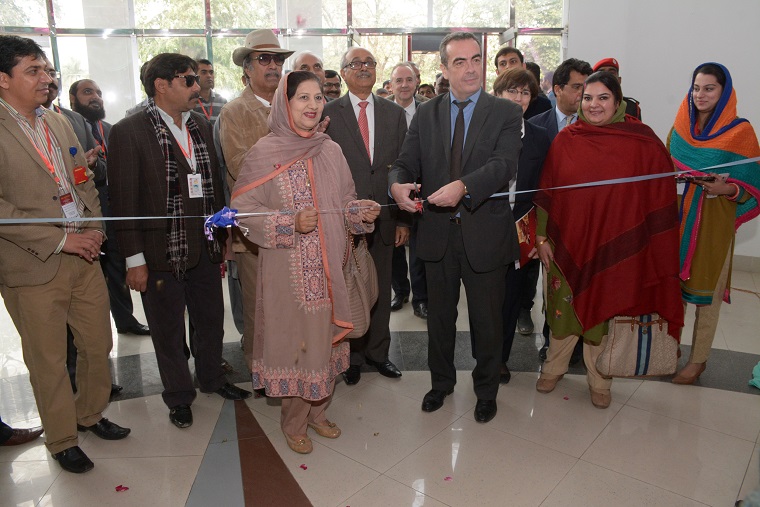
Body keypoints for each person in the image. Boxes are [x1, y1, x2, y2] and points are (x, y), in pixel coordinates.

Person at [230, 71, 380, 454]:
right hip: (289, 274)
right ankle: (294, 421)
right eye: (303, 98)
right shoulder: (264, 152)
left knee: (326, 343)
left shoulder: (330, 149)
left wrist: (358, 212)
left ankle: (318, 412)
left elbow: (345, 200)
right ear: (285, 103)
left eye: (318, 97)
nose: (313, 105)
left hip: (332, 269)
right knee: (298, 346)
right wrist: (289, 222)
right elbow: (243, 211)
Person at [0, 35, 130, 474]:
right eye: (33, 71)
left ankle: (89, 414)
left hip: (84, 255)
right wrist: (59, 240)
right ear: (3, 79)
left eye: (47, 70)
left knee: (98, 343)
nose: (46, 79)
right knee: (49, 359)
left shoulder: (57, 122)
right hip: (32, 265)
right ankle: (61, 438)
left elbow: (81, 179)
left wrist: (93, 229)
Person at [108, 53, 251, 430]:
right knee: (167, 329)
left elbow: (214, 186)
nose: (197, 86)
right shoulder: (129, 131)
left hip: (204, 246)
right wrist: (134, 260)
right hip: (159, 253)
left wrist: (223, 234)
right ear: (161, 85)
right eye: (188, 80)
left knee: (210, 321)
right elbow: (124, 203)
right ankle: (178, 396)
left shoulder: (201, 124)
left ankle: (212, 378)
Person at [390, 32, 522, 424]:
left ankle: (486, 390)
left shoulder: (505, 112)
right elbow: (405, 162)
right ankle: (441, 383)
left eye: (476, 59)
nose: (470, 68)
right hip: (436, 235)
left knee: (487, 322)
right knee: (439, 320)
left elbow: (503, 166)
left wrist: (464, 186)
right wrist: (396, 185)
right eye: (460, 62)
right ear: (444, 69)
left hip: (485, 235)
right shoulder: (426, 114)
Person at [534, 71, 683, 408]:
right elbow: (547, 192)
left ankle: (600, 378)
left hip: (615, 247)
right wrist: (542, 237)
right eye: (588, 98)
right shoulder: (567, 139)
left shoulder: (641, 142)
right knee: (562, 309)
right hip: (566, 242)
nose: (594, 105)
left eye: (603, 98)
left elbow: (659, 192)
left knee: (603, 309)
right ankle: (553, 367)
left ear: (618, 101)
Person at [669, 63, 760, 384]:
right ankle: (670, 350)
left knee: (707, 295)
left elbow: (753, 186)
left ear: (724, 92)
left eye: (709, 88)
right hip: (678, 220)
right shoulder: (681, 127)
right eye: (696, 88)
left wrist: (727, 189)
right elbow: (664, 166)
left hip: (715, 225)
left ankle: (698, 360)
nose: (700, 95)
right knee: (673, 292)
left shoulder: (741, 133)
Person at [323, 47, 408, 385]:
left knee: (382, 286)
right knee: (350, 288)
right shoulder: (328, 113)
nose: (363, 68)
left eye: (369, 63)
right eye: (355, 64)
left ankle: (379, 353)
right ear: (343, 72)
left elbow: (403, 166)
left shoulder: (393, 113)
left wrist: (403, 220)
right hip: (344, 221)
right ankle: (353, 357)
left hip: (385, 218)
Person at [218, 29, 294, 371]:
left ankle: (292, 366)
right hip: (255, 227)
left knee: (292, 302)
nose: (273, 65)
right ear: (247, 69)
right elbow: (239, 166)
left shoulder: (295, 104)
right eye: (264, 59)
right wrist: (288, 153)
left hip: (297, 222)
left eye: (277, 59)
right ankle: (260, 370)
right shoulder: (234, 111)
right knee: (258, 305)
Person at [491, 68, 550, 383]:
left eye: (525, 92)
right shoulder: (482, 133)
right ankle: (485, 355)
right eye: (511, 91)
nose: (518, 98)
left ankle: (500, 358)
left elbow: (546, 189)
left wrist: (540, 234)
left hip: (521, 228)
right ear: (497, 94)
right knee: (485, 298)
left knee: (511, 297)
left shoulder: (540, 138)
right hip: (486, 225)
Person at [193, 58, 227, 123]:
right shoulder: (190, 100)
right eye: (204, 72)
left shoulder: (222, 101)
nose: (209, 76)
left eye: (211, 72)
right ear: (195, 76)